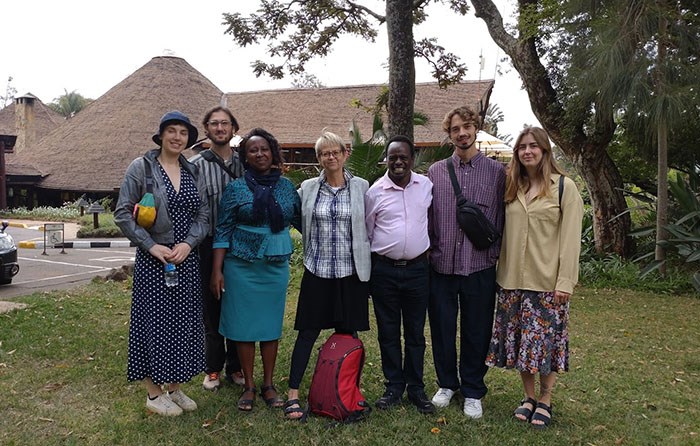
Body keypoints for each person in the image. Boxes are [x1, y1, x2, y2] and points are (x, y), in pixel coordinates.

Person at [485, 126, 583, 429]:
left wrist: (565, 282)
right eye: (522, 147)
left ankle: (546, 399)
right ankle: (528, 397)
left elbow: (570, 239)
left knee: (545, 344)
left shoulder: (564, 188)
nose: (527, 151)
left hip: (547, 283)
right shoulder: (512, 187)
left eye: (533, 146)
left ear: (544, 150)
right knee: (520, 344)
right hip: (512, 281)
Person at [114, 110, 209, 416]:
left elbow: (203, 216)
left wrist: (187, 243)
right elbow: (122, 213)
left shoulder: (193, 171)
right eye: (172, 131)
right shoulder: (141, 167)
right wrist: (151, 245)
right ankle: (153, 394)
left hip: (185, 259)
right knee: (152, 324)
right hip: (154, 261)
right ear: (161, 135)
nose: (177, 137)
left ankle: (174, 388)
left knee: (182, 324)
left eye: (183, 132)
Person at [210, 128, 300, 412]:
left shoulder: (287, 187)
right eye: (252, 150)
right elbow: (223, 229)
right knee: (244, 327)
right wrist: (217, 271)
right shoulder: (236, 188)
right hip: (241, 265)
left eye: (264, 149)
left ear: (273, 152)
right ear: (245, 157)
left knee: (270, 326)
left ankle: (269, 385)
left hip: (274, 265)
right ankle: (248, 385)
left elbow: (301, 220)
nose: (259, 154)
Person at [284, 131, 371, 421]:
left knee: (349, 334)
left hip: (350, 272)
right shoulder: (308, 188)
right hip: (317, 270)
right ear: (318, 157)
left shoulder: (361, 187)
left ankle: (348, 392)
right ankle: (293, 394)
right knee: (307, 333)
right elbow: (294, 214)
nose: (330, 157)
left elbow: (370, 223)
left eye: (335, 152)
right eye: (324, 153)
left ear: (345, 154)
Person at [427, 106, 506, 419]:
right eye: (456, 129)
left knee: (477, 330)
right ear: (449, 134)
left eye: (467, 127)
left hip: (479, 265)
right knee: (442, 328)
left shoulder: (497, 173)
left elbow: (503, 218)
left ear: (476, 129)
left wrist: (496, 253)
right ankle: (447, 383)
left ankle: (473, 389)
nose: (462, 133)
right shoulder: (435, 173)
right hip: (442, 265)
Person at [364, 136, 434, 414]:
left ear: (412, 158)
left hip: (418, 271)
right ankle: (394, 385)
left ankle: (416, 387)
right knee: (388, 332)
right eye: (393, 157)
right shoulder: (375, 192)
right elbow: (369, 231)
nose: (398, 162)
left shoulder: (426, 186)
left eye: (403, 156)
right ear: (386, 159)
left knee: (416, 333)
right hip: (385, 272)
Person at [189, 106, 245, 391]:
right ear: (207, 129)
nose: (220, 128)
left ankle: (236, 366)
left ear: (234, 128)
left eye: (225, 123)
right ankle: (212, 367)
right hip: (208, 244)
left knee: (237, 305)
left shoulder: (244, 163)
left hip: (241, 244)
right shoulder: (195, 165)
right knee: (211, 306)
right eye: (214, 124)